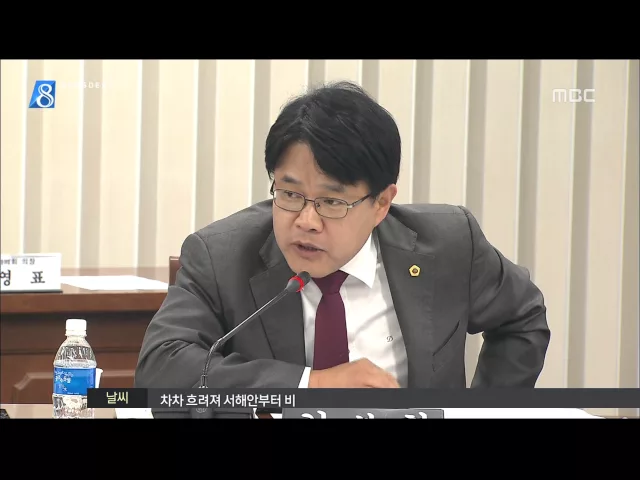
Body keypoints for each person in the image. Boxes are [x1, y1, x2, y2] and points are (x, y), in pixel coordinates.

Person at [134, 81, 550, 391]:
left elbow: (522, 318)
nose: (306, 220)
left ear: (381, 203)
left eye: (332, 202)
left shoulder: (448, 243)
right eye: (290, 194)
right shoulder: (220, 255)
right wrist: (310, 384)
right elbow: (160, 369)